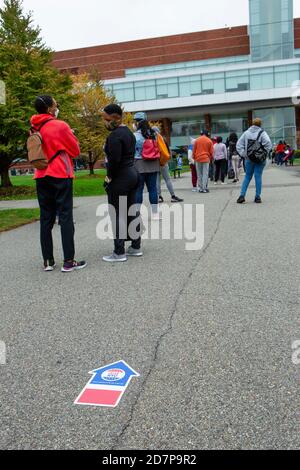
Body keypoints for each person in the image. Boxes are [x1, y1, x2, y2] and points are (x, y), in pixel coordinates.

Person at [31, 95, 87, 273]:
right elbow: (75, 150)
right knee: (65, 217)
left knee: (46, 218)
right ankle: (69, 261)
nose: (57, 107)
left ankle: (48, 261)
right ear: (49, 108)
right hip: (60, 173)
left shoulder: (33, 127)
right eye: (55, 104)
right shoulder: (60, 125)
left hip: (41, 174)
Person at [102, 104, 141, 262]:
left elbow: (114, 161)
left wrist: (108, 178)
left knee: (117, 212)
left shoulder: (115, 136)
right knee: (131, 210)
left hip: (120, 177)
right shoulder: (129, 133)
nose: (104, 121)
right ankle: (136, 246)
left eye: (106, 118)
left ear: (115, 117)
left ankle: (119, 252)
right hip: (132, 174)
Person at [236, 118, 272, 204]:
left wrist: (244, 154)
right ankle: (257, 197)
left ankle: (242, 195)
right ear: (260, 124)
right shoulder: (262, 133)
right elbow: (268, 144)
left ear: (252, 124)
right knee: (258, 176)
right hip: (259, 159)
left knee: (247, 176)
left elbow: (239, 145)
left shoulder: (246, 133)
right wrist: (264, 153)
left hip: (249, 159)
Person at [133, 112, 161, 220]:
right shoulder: (154, 134)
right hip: (153, 163)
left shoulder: (135, 136)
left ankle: (137, 214)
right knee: (153, 189)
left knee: (138, 190)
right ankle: (155, 214)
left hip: (139, 164)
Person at [152, 126, 183, 203]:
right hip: (163, 162)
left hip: (155, 162)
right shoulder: (162, 139)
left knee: (157, 180)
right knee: (167, 179)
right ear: (158, 131)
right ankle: (173, 196)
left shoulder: (150, 140)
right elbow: (168, 152)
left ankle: (159, 197)